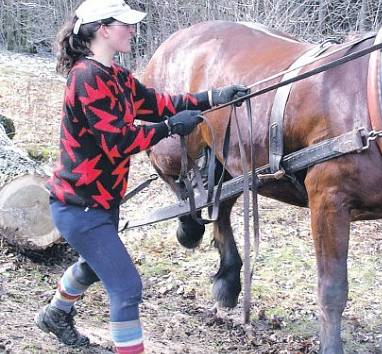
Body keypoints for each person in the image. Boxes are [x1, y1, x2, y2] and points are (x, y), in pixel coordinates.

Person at [35, 1, 249, 353]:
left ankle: (56, 314)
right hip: (79, 206)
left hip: (101, 201)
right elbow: (116, 141)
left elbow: (157, 102)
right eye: (126, 25)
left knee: (92, 265)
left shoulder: (115, 75)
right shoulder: (86, 77)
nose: (132, 31)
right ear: (104, 29)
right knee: (126, 288)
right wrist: (167, 129)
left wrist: (214, 96)